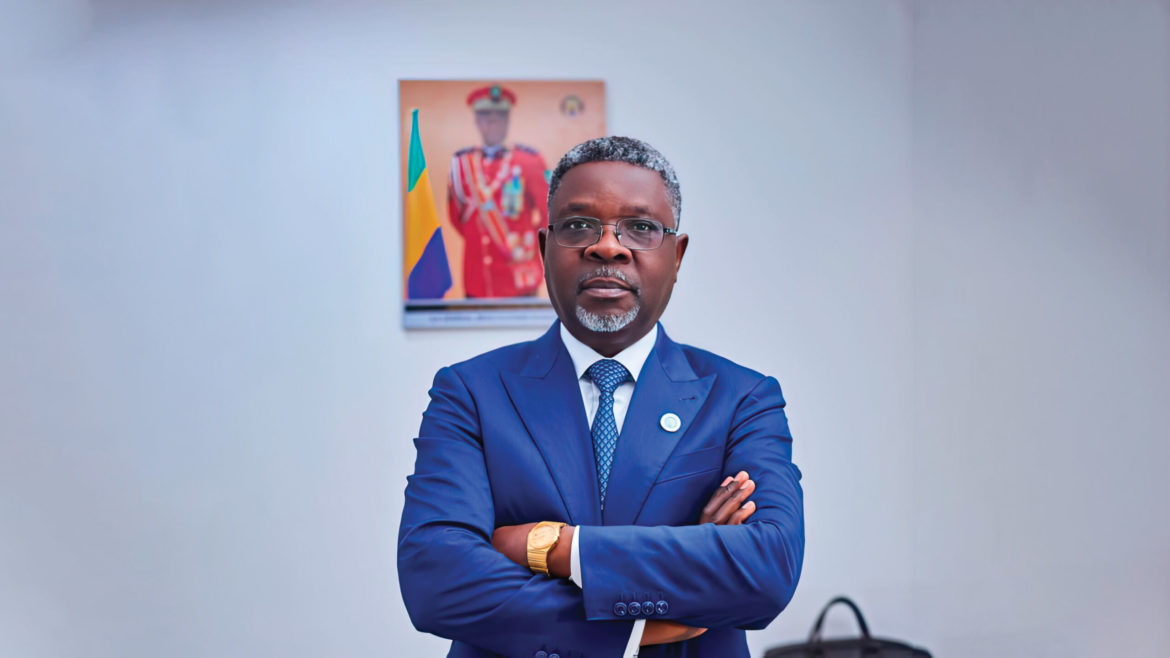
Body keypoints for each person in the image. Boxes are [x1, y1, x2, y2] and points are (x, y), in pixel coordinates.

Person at [400, 137, 804, 657]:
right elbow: (435, 578)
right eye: (578, 226)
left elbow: (768, 569)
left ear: (676, 256)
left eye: (640, 227)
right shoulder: (471, 392)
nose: (608, 247)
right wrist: (638, 625)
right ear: (544, 248)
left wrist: (556, 548)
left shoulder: (742, 398)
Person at [447, 84, 550, 298]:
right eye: (485, 115)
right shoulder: (462, 163)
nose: (493, 121)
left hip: (518, 277)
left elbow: (548, 214)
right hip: (477, 278)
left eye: (500, 115)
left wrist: (529, 246)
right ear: (476, 120)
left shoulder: (529, 161)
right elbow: (456, 217)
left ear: (508, 120)